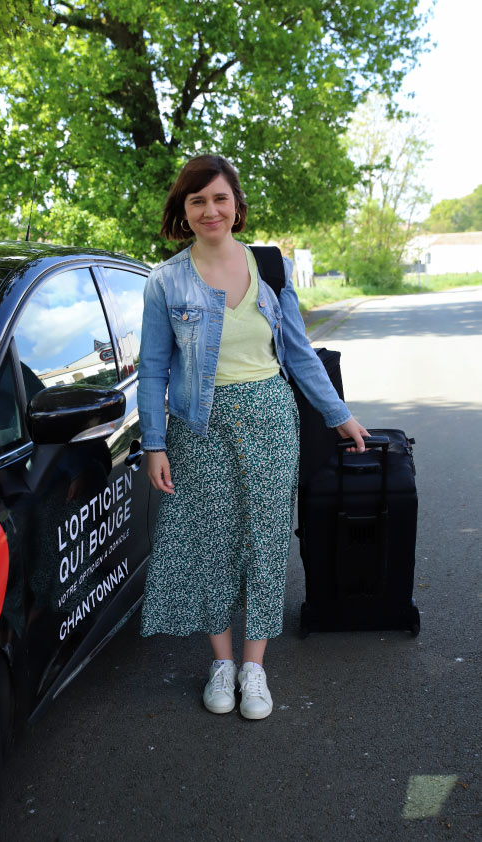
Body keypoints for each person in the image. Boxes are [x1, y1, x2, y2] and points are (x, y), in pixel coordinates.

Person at [137, 155, 368, 720]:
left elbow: (298, 354)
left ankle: (254, 666)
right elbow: (151, 370)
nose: (209, 210)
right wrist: (153, 444)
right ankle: (221, 662)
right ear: (183, 212)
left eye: (219, 198)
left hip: (269, 417)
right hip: (199, 427)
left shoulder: (269, 268)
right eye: (197, 201)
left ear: (237, 206)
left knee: (266, 542)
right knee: (211, 544)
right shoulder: (165, 282)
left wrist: (339, 414)